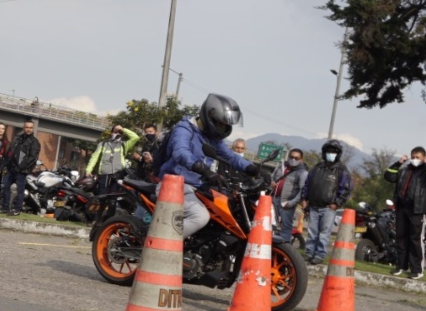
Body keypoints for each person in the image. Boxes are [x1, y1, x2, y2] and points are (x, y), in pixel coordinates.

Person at [156, 94, 258, 238]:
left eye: (226, 125)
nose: (223, 128)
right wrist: (203, 169)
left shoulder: (212, 137)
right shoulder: (185, 129)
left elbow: (230, 156)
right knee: (200, 217)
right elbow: (180, 152)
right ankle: (162, 244)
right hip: (173, 184)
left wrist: (251, 168)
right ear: (209, 115)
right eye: (220, 123)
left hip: (197, 187)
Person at [383, 146, 426, 279]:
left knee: (415, 239)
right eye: (413, 157)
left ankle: (417, 269)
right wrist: (399, 163)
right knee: (401, 238)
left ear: (423, 157)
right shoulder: (405, 170)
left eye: (417, 157)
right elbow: (389, 176)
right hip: (402, 208)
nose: (414, 160)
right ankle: (401, 266)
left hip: (417, 209)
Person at [300, 139, 354, 265]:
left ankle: (319, 255)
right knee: (312, 232)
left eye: (334, 152)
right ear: (324, 153)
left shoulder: (341, 170)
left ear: (338, 154)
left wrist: (337, 203)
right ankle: (309, 253)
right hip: (313, 206)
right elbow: (307, 184)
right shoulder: (317, 168)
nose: (331, 153)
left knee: (324, 233)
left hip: (328, 208)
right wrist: (304, 198)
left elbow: (346, 189)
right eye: (328, 151)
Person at [0, 121, 41, 216]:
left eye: (30, 127)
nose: (28, 129)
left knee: (20, 190)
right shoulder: (18, 138)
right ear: (23, 127)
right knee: (6, 186)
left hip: (22, 170)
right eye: (27, 127)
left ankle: (17, 210)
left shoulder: (34, 142)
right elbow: (12, 152)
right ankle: (5, 207)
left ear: (33, 128)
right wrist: (7, 165)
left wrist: (21, 166)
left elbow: (32, 157)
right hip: (12, 168)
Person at [86, 124, 140, 195]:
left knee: (114, 197)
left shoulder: (124, 145)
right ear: (111, 133)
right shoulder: (103, 144)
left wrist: (123, 129)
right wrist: (88, 170)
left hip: (118, 174)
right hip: (105, 174)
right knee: (102, 195)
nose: (117, 133)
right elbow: (94, 157)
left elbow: (135, 137)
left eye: (120, 132)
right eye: (115, 131)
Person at [271, 148, 308, 244]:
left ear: (301, 159)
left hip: (287, 203)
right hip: (274, 199)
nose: (293, 160)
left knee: (286, 226)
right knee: (271, 223)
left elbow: (302, 191)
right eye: (291, 157)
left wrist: (291, 203)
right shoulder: (281, 165)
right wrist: (271, 183)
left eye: (296, 158)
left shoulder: (302, 172)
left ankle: (284, 246)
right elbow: (272, 177)